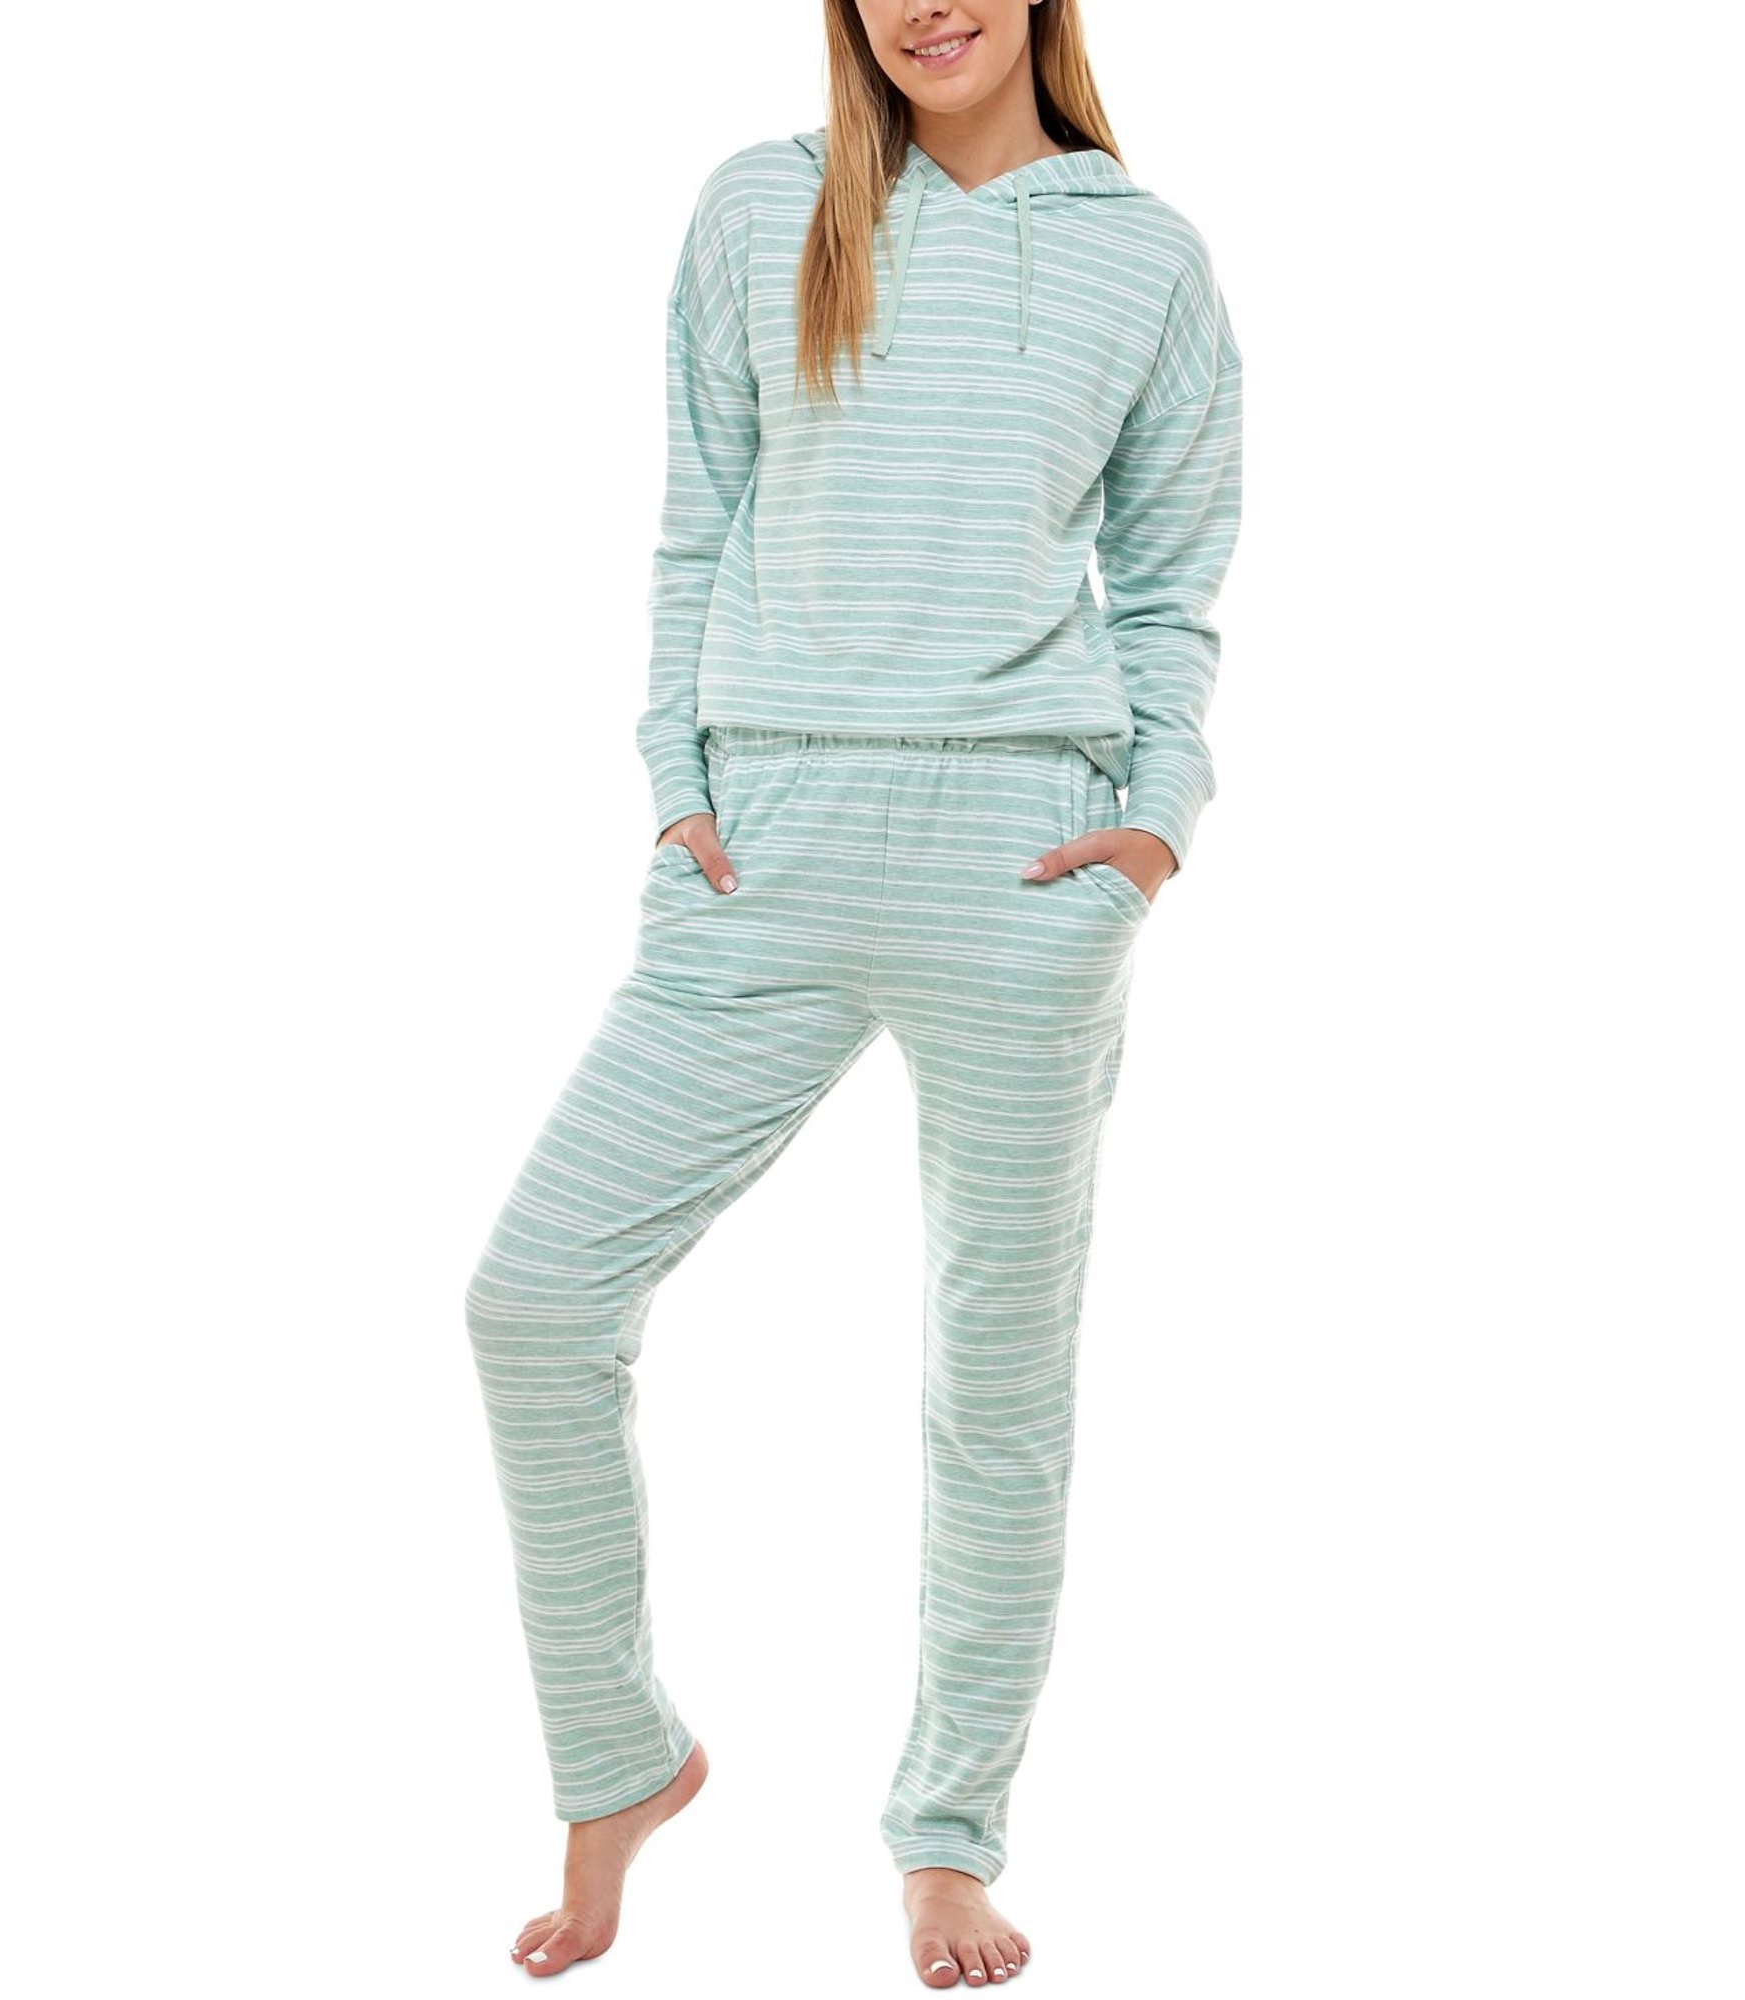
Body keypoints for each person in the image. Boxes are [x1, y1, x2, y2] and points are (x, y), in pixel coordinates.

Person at [463, 1, 1244, 1984]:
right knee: (535, 1299)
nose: (926, 6)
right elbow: (694, 518)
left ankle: (948, 1840)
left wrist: (1151, 829)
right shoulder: (762, 210)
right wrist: (677, 783)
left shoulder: (1145, 255)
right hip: (765, 843)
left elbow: (1172, 581)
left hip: (1024, 860)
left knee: (997, 1380)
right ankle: (620, 1758)